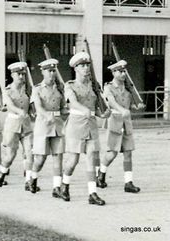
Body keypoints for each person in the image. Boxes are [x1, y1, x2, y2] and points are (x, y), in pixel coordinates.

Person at [60, 52, 110, 206]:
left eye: (87, 65)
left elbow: (99, 107)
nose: (86, 68)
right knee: (73, 160)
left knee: (91, 158)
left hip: (91, 125)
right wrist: (84, 110)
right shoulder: (70, 85)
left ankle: (92, 193)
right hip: (76, 124)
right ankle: (64, 184)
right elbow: (72, 102)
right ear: (76, 69)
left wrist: (104, 113)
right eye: (82, 66)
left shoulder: (95, 85)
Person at [97, 60, 143, 193]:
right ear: (113, 72)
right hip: (115, 121)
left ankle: (128, 183)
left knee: (128, 153)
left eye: (124, 71)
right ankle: (101, 173)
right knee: (112, 153)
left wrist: (136, 106)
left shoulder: (128, 88)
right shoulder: (109, 87)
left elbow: (129, 105)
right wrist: (122, 110)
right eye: (120, 71)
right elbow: (111, 102)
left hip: (126, 123)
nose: (123, 74)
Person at [29, 59, 66, 196]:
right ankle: (32, 178)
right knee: (40, 158)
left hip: (57, 125)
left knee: (58, 156)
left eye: (53, 70)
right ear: (43, 72)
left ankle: (56, 188)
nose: (52, 73)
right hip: (43, 126)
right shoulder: (37, 89)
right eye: (49, 71)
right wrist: (46, 115)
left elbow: (63, 108)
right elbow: (38, 107)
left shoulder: (60, 88)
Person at [0, 62, 33, 187]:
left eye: (23, 74)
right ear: (12, 75)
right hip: (13, 125)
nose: (21, 77)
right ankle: (1, 174)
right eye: (18, 74)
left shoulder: (27, 89)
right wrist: (19, 111)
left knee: (29, 152)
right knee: (10, 155)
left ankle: (29, 181)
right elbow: (10, 105)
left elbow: (31, 105)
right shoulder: (8, 90)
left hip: (26, 125)